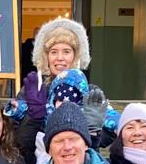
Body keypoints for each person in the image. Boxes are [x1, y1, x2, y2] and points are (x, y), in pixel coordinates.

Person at [9, 17, 91, 156]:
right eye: (53, 52)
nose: (60, 58)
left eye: (66, 51)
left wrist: (94, 127)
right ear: (45, 57)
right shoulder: (31, 91)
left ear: (75, 56)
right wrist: (34, 116)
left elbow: (102, 141)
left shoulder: (89, 92)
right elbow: (19, 144)